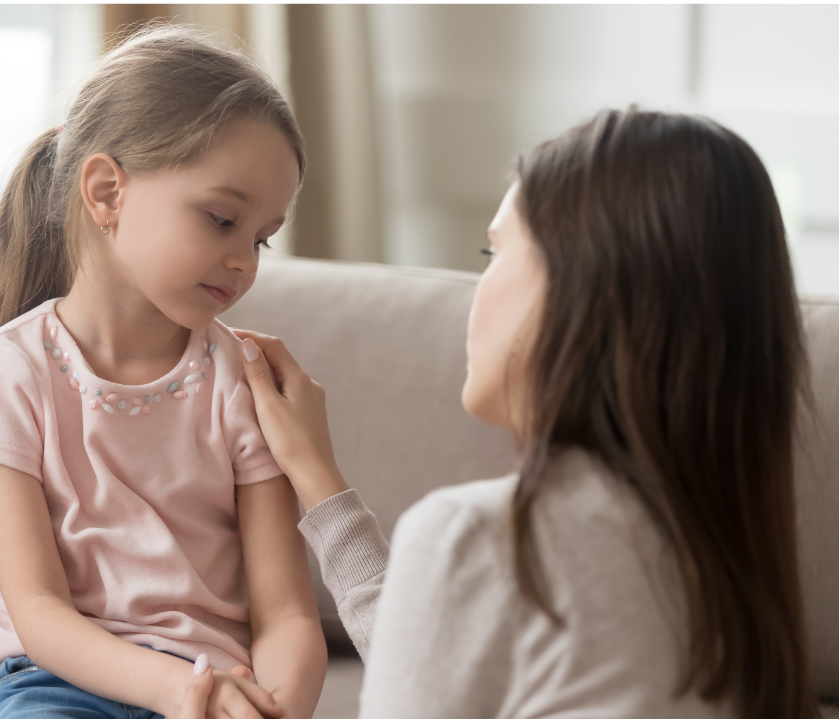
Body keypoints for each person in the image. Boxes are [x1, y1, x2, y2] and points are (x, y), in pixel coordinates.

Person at [200, 109, 822, 718]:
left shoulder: (481, 539)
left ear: (580, 292)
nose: (479, 288)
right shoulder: (736, 567)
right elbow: (440, 656)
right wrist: (317, 477)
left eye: (494, 253)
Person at [0, 25, 326, 719]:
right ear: (108, 191)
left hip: (217, 682)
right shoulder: (5, 374)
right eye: (222, 218)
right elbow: (40, 609)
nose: (246, 261)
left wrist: (279, 707)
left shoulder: (243, 378)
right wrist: (175, 690)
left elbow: (287, 611)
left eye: (261, 237)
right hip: (51, 680)